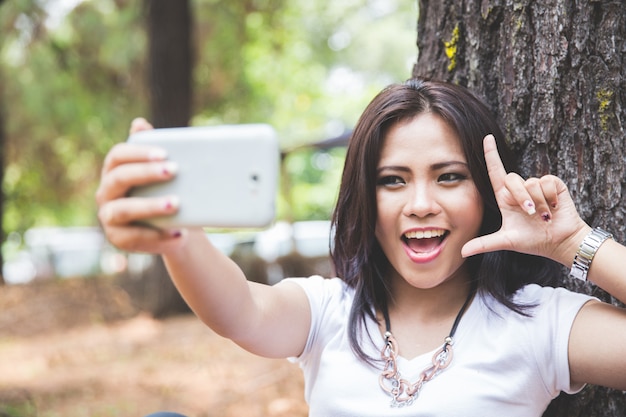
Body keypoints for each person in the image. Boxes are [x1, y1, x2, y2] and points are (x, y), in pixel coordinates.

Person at [96, 78, 626, 416]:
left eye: (448, 177)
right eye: (392, 180)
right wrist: (174, 231)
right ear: (365, 200)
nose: (419, 203)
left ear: (485, 196)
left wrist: (573, 244)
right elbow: (241, 309)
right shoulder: (328, 312)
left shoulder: (539, 323)